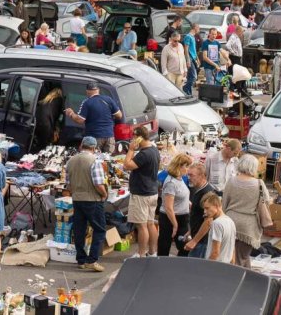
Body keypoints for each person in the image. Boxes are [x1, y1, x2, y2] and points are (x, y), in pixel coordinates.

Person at [65, 136, 109, 272]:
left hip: (77, 199)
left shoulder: (71, 161)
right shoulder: (95, 161)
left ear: (81, 145)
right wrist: (104, 194)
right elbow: (98, 183)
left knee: (79, 229)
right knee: (100, 229)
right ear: (94, 148)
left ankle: (81, 259)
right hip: (92, 200)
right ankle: (92, 259)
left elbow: (68, 184)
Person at [222, 154, 270, 269]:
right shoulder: (259, 184)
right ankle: (236, 282)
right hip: (248, 226)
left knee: (231, 254)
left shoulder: (231, 181)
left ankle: (246, 279)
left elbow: (224, 202)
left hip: (230, 221)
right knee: (241, 257)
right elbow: (266, 201)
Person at [123, 126, 160, 258]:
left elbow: (126, 165)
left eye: (133, 137)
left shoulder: (144, 154)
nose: (132, 139)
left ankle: (141, 254)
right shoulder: (154, 150)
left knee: (142, 225)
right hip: (152, 192)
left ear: (139, 138)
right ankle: (152, 252)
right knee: (150, 223)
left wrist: (131, 150)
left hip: (141, 193)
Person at [65, 82, 123, 155]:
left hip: (94, 138)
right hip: (109, 136)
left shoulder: (87, 102)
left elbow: (80, 120)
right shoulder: (108, 99)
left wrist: (71, 113)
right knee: (108, 160)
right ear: (98, 90)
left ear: (87, 91)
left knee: (93, 160)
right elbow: (119, 115)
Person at [158, 153, 192, 257]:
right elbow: (168, 207)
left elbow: (180, 195)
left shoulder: (180, 178)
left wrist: (188, 202)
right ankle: (162, 266)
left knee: (184, 245)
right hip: (171, 218)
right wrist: (175, 224)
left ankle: (177, 266)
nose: (188, 169)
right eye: (186, 166)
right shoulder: (171, 183)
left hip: (181, 217)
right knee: (166, 245)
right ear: (179, 166)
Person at [182, 163, 216, 258]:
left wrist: (194, 241)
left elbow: (208, 221)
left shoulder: (207, 193)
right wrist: (190, 231)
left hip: (202, 242)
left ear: (202, 176)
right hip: (198, 239)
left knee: (193, 270)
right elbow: (199, 214)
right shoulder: (198, 189)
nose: (189, 178)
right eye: (188, 175)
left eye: (191, 175)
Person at [198, 192, 236, 264]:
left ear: (216, 206)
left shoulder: (217, 224)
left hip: (216, 268)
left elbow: (215, 253)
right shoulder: (231, 222)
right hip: (227, 267)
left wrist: (206, 266)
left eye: (207, 208)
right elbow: (232, 249)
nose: (205, 211)